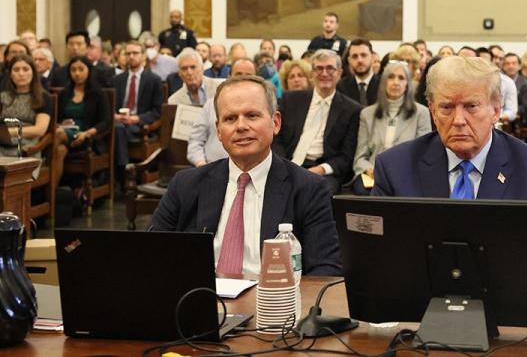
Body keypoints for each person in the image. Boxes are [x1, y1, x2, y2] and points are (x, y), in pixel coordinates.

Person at [150, 75, 341, 277]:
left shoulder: (309, 189)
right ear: (219, 131)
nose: (241, 126)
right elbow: (152, 253)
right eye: (230, 118)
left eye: (252, 115)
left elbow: (325, 271)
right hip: (201, 300)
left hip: (273, 303)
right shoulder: (185, 185)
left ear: (275, 123)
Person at [372, 56, 527, 200]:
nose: (458, 120)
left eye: (471, 107)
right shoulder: (394, 168)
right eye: (446, 107)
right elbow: (378, 247)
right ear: (433, 111)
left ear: (495, 111)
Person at [275, 50, 362, 195]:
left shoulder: (352, 110)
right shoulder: (290, 100)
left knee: (316, 193)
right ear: (312, 74)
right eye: (319, 68)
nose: (324, 73)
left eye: (330, 68)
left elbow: (346, 156)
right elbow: (277, 138)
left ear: (339, 73)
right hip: (288, 163)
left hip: (323, 170)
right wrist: (284, 164)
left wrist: (320, 170)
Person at [353, 61, 432, 194]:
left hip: (407, 174)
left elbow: (423, 154)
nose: (396, 82)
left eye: (401, 78)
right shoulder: (367, 114)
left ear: (407, 84)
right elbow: (360, 157)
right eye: (391, 77)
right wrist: (372, 170)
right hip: (373, 174)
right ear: (383, 82)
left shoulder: (421, 113)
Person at [56, 57, 111, 203]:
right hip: (65, 134)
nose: (77, 73)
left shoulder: (97, 93)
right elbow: (56, 119)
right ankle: (53, 194)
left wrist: (86, 133)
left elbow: (106, 122)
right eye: (73, 70)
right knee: (59, 150)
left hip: (87, 138)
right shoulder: (65, 93)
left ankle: (40, 161)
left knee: (57, 135)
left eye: (81, 69)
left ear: (89, 71)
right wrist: (61, 123)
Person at [187, 58, 256, 167]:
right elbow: (196, 141)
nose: (243, 79)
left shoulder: (262, 107)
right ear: (229, 76)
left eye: (248, 75)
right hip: (211, 170)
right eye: (238, 74)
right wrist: (201, 164)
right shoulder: (212, 104)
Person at [112, 41, 164, 177]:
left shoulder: (154, 80)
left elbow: (158, 111)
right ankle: (124, 171)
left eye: (135, 53)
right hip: (118, 123)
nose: (131, 56)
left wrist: (136, 119)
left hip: (140, 126)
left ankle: (122, 174)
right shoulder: (117, 80)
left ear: (143, 56)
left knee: (116, 131)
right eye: (128, 53)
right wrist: (116, 116)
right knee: (116, 128)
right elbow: (109, 106)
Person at [0, 55, 52, 170]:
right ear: (10, 74)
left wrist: (10, 132)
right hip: (2, 145)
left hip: (26, 149)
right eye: (16, 70)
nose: (21, 74)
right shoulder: (3, 97)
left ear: (33, 72)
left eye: (25, 69)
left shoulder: (43, 97)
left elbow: (39, 129)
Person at [337, 39, 378, 106]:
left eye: (363, 55)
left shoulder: (384, 84)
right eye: (354, 56)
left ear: (372, 57)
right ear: (349, 60)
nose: (359, 60)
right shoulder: (341, 87)